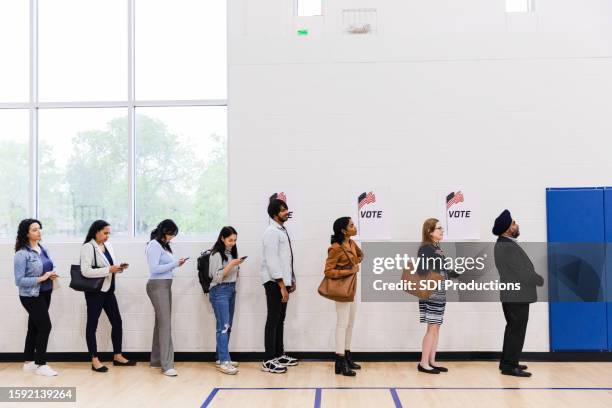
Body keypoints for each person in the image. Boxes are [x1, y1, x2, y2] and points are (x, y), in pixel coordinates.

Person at [493, 209, 544, 377]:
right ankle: (509, 365)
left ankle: (510, 362)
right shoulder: (506, 246)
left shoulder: (505, 243)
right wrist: (538, 279)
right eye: (514, 223)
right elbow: (520, 271)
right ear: (508, 228)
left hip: (514, 295)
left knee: (514, 329)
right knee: (516, 329)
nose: (517, 225)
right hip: (516, 296)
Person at [80, 220, 135, 373]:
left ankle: (117, 355)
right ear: (96, 232)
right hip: (94, 293)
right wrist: (108, 269)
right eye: (105, 233)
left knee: (117, 322)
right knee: (92, 325)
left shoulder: (108, 246)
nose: (107, 236)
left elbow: (110, 266)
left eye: (109, 233)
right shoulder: (88, 247)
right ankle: (95, 359)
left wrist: (118, 268)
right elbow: (85, 272)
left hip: (109, 290)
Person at [13, 219, 59, 376]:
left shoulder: (43, 249)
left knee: (34, 327)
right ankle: (41, 364)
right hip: (30, 295)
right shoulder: (21, 254)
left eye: (40, 229)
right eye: (34, 230)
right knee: (45, 326)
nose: (39, 232)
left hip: (46, 292)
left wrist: (51, 274)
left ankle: (28, 362)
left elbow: (48, 267)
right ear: (26, 233)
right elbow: (19, 281)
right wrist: (41, 278)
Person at [416, 218, 460, 374]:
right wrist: (441, 272)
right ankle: (423, 363)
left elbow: (441, 268)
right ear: (429, 231)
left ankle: (431, 360)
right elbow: (422, 272)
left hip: (439, 292)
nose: (442, 231)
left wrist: (451, 272)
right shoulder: (426, 248)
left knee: (436, 328)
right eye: (438, 228)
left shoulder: (436, 247)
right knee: (432, 329)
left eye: (442, 228)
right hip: (432, 293)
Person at [260, 198, 298, 373]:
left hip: (284, 281)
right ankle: (268, 359)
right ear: (275, 214)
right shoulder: (271, 232)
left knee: (280, 319)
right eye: (283, 210)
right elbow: (272, 260)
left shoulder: (281, 230)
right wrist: (282, 284)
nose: (286, 212)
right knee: (273, 319)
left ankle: (278, 353)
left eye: (286, 209)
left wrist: (291, 280)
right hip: (274, 282)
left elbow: (286, 258)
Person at [145, 219, 187, 377]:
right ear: (164, 231)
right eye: (171, 234)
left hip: (165, 285)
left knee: (161, 323)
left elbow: (164, 266)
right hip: (157, 285)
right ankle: (167, 365)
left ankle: (157, 359)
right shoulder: (154, 245)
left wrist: (176, 263)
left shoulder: (163, 246)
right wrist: (175, 264)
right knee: (165, 325)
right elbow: (154, 269)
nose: (172, 237)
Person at [323, 217, 363, 376]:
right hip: (341, 289)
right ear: (343, 230)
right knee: (342, 324)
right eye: (352, 225)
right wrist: (348, 271)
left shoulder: (352, 243)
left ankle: (347, 356)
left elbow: (361, 256)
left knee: (350, 323)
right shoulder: (335, 248)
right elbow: (328, 271)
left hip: (351, 288)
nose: (355, 227)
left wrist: (354, 263)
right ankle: (339, 361)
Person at [208, 226, 245, 375]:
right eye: (230, 240)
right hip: (219, 291)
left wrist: (236, 267)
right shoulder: (216, 254)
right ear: (222, 238)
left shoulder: (230, 252)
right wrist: (231, 265)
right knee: (223, 327)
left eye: (235, 240)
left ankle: (221, 357)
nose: (232, 243)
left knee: (226, 326)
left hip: (230, 289)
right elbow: (216, 277)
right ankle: (224, 361)